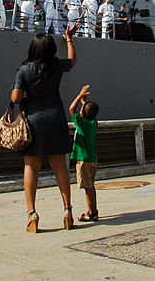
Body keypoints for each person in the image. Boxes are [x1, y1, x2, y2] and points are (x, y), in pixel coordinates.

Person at [11, 22, 80, 233]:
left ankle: (32, 214)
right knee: (59, 165)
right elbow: (72, 61)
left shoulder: (24, 70)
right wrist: (68, 38)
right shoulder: (56, 66)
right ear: (51, 50)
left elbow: (15, 98)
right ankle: (67, 210)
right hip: (56, 117)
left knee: (31, 166)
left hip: (34, 119)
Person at [69, 84, 99, 223]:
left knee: (87, 188)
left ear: (83, 114)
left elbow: (71, 109)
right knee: (91, 186)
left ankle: (92, 214)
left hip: (83, 160)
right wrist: (84, 102)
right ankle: (93, 210)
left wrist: (80, 95)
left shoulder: (82, 124)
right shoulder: (93, 123)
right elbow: (85, 112)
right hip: (92, 159)